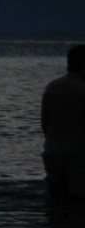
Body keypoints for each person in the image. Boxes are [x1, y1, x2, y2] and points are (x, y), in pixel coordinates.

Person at [44, 44, 85, 200]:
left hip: (52, 150)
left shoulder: (52, 86)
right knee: (78, 200)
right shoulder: (82, 89)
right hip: (78, 153)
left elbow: (45, 123)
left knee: (56, 198)